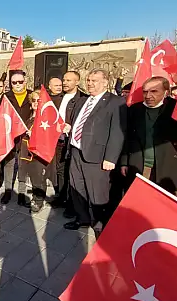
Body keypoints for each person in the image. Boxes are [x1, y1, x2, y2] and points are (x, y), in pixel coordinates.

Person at [62, 69, 126, 232]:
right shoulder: (83, 101)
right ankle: (82, 218)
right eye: (88, 80)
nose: (90, 83)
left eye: (94, 80)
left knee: (97, 193)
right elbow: (79, 123)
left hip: (97, 156)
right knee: (77, 188)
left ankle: (100, 224)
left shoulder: (115, 102)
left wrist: (111, 158)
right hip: (76, 151)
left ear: (105, 82)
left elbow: (118, 132)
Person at [120, 77, 177, 194]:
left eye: (154, 91)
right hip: (139, 165)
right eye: (145, 92)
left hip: (166, 167)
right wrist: (124, 162)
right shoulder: (134, 110)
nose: (148, 96)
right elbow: (127, 137)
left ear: (166, 92)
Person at [50, 71, 87, 213]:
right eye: (64, 80)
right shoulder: (59, 97)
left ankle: (72, 204)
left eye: (69, 80)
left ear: (77, 82)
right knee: (60, 170)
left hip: (73, 142)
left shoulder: (83, 99)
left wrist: (72, 129)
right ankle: (61, 197)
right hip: (59, 141)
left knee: (72, 173)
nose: (65, 83)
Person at [0, 71, 32, 206]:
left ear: (25, 81)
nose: (18, 84)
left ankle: (21, 192)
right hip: (10, 136)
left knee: (23, 166)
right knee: (9, 165)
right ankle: (8, 190)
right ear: (11, 84)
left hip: (26, 137)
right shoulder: (6, 97)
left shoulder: (32, 95)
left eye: (20, 81)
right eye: (14, 82)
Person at [18, 91, 54, 212]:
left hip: (38, 154)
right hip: (27, 153)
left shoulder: (45, 118)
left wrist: (34, 135)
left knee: (39, 179)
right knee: (33, 178)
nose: (36, 103)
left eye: (39, 101)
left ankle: (39, 201)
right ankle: (34, 198)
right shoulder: (29, 117)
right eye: (33, 100)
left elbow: (49, 136)